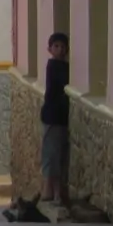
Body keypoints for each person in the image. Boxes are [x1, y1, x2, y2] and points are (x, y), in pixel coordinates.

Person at [41, 32, 71, 206]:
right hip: (52, 117)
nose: (60, 49)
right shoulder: (54, 66)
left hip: (58, 117)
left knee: (56, 153)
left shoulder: (62, 66)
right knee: (51, 153)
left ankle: (54, 191)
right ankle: (49, 190)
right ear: (50, 49)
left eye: (62, 46)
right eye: (56, 46)